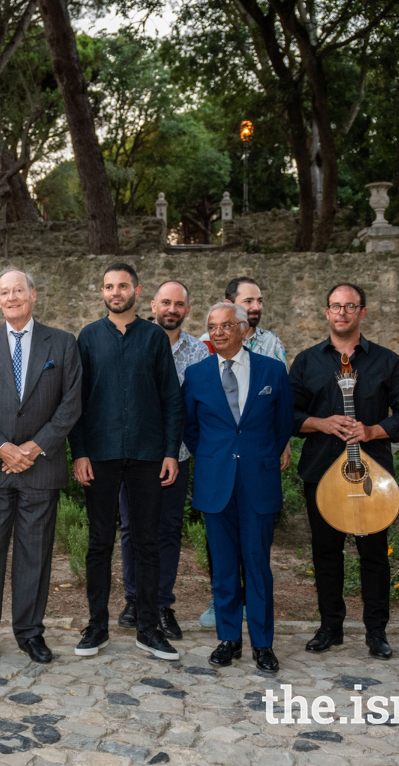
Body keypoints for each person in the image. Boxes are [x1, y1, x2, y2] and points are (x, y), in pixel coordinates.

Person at [290, 283, 399, 660]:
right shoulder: (307, 362)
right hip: (320, 472)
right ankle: (331, 626)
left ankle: (376, 631)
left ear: (363, 311)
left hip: (371, 476)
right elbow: (288, 415)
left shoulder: (387, 361)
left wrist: (374, 430)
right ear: (326, 312)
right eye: (335, 306)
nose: (342, 312)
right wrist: (321, 423)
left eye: (350, 306)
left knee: (373, 554)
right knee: (326, 553)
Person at [0, 269, 82, 664]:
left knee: (36, 553)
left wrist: (34, 447)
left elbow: (70, 405)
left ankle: (30, 633)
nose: (11, 297)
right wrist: (3, 449)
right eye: (4, 292)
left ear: (33, 294)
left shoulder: (62, 344)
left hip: (40, 466)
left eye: (18, 290)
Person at [70, 264, 184, 659]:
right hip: (99, 454)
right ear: (102, 292)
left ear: (137, 290)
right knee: (99, 543)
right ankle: (97, 627)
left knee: (147, 542)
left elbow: (171, 398)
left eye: (122, 286)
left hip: (147, 455)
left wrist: (171, 451)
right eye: (108, 286)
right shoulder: (87, 337)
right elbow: (76, 402)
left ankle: (149, 629)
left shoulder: (154, 338)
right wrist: (79, 451)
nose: (115, 292)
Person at [182, 302, 293, 674]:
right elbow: (191, 429)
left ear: (244, 329)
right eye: (212, 327)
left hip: (258, 481)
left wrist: (256, 455)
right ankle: (229, 638)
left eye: (226, 326)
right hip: (216, 483)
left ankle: (263, 644)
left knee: (258, 565)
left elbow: (282, 427)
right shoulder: (197, 375)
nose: (218, 333)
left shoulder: (272, 371)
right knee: (224, 567)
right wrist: (217, 458)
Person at [114, 279, 211, 639]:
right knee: (130, 529)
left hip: (177, 454)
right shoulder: (132, 340)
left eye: (179, 304)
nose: (172, 310)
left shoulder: (200, 353)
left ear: (187, 309)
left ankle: (161, 604)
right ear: (152, 305)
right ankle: (134, 598)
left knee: (167, 530)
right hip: (133, 453)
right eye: (166, 303)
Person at [201, 277, 286, 365]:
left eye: (259, 301)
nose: (257, 307)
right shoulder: (207, 343)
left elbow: (280, 377)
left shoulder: (271, 342)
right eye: (248, 301)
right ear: (229, 304)